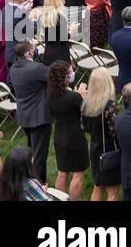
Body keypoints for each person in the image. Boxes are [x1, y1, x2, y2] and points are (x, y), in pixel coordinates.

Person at [9, 40, 52, 182]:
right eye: (33, 49)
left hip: (24, 115)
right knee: (39, 156)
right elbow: (54, 79)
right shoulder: (37, 68)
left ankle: (28, 180)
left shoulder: (14, 68)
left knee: (31, 152)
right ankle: (39, 185)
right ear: (29, 53)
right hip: (39, 117)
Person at [47, 61, 88, 199]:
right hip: (75, 138)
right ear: (64, 76)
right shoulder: (73, 97)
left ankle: (61, 199)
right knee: (78, 174)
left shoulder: (50, 94)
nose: (72, 74)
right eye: (70, 72)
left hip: (59, 136)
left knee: (62, 172)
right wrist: (83, 97)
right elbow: (85, 114)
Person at [82, 66, 121, 201]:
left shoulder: (86, 103)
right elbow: (115, 130)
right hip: (109, 151)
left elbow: (84, 127)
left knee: (97, 188)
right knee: (113, 192)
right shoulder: (110, 105)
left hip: (94, 148)